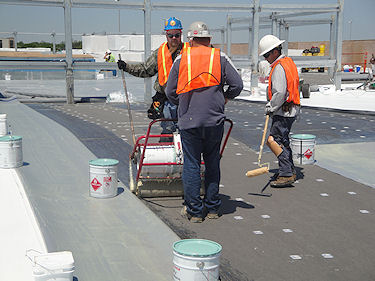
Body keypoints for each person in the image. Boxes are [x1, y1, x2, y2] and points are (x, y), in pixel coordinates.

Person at [166, 21, 243, 222]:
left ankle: (194, 211)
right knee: (212, 162)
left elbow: (169, 91)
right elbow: (237, 84)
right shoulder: (220, 57)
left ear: (190, 40)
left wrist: (182, 104)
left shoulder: (182, 59)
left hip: (189, 121)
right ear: (209, 39)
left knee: (191, 164)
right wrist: (225, 97)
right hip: (213, 120)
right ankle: (212, 208)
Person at [117, 17, 188, 141]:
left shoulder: (190, 52)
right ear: (166, 36)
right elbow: (145, 69)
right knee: (168, 130)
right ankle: (166, 156)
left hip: (186, 100)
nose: (174, 38)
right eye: (170, 35)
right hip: (166, 101)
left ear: (181, 34)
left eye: (177, 35)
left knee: (187, 132)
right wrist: (127, 67)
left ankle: (188, 158)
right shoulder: (159, 53)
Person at [259, 34, 300, 188]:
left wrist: (270, 107)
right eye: (264, 55)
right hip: (290, 109)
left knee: (275, 140)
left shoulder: (279, 67)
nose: (266, 58)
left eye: (267, 54)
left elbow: (280, 92)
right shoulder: (287, 62)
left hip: (284, 110)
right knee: (283, 140)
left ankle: (286, 173)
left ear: (275, 51)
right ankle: (289, 169)